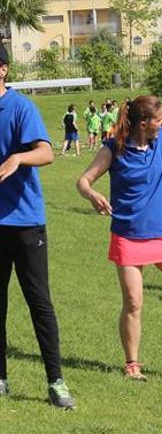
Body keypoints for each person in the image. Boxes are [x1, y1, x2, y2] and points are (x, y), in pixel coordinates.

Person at [76, 95, 162, 384]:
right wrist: (93, 195)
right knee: (134, 302)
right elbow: (83, 181)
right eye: (158, 120)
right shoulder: (115, 147)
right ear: (143, 123)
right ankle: (132, 365)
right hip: (128, 235)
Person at [0, 44, 76, 408]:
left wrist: (18, 156)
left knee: (38, 303)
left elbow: (46, 152)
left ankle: (56, 381)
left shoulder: (19, 107)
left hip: (25, 224)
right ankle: (0, 378)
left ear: (3, 69)